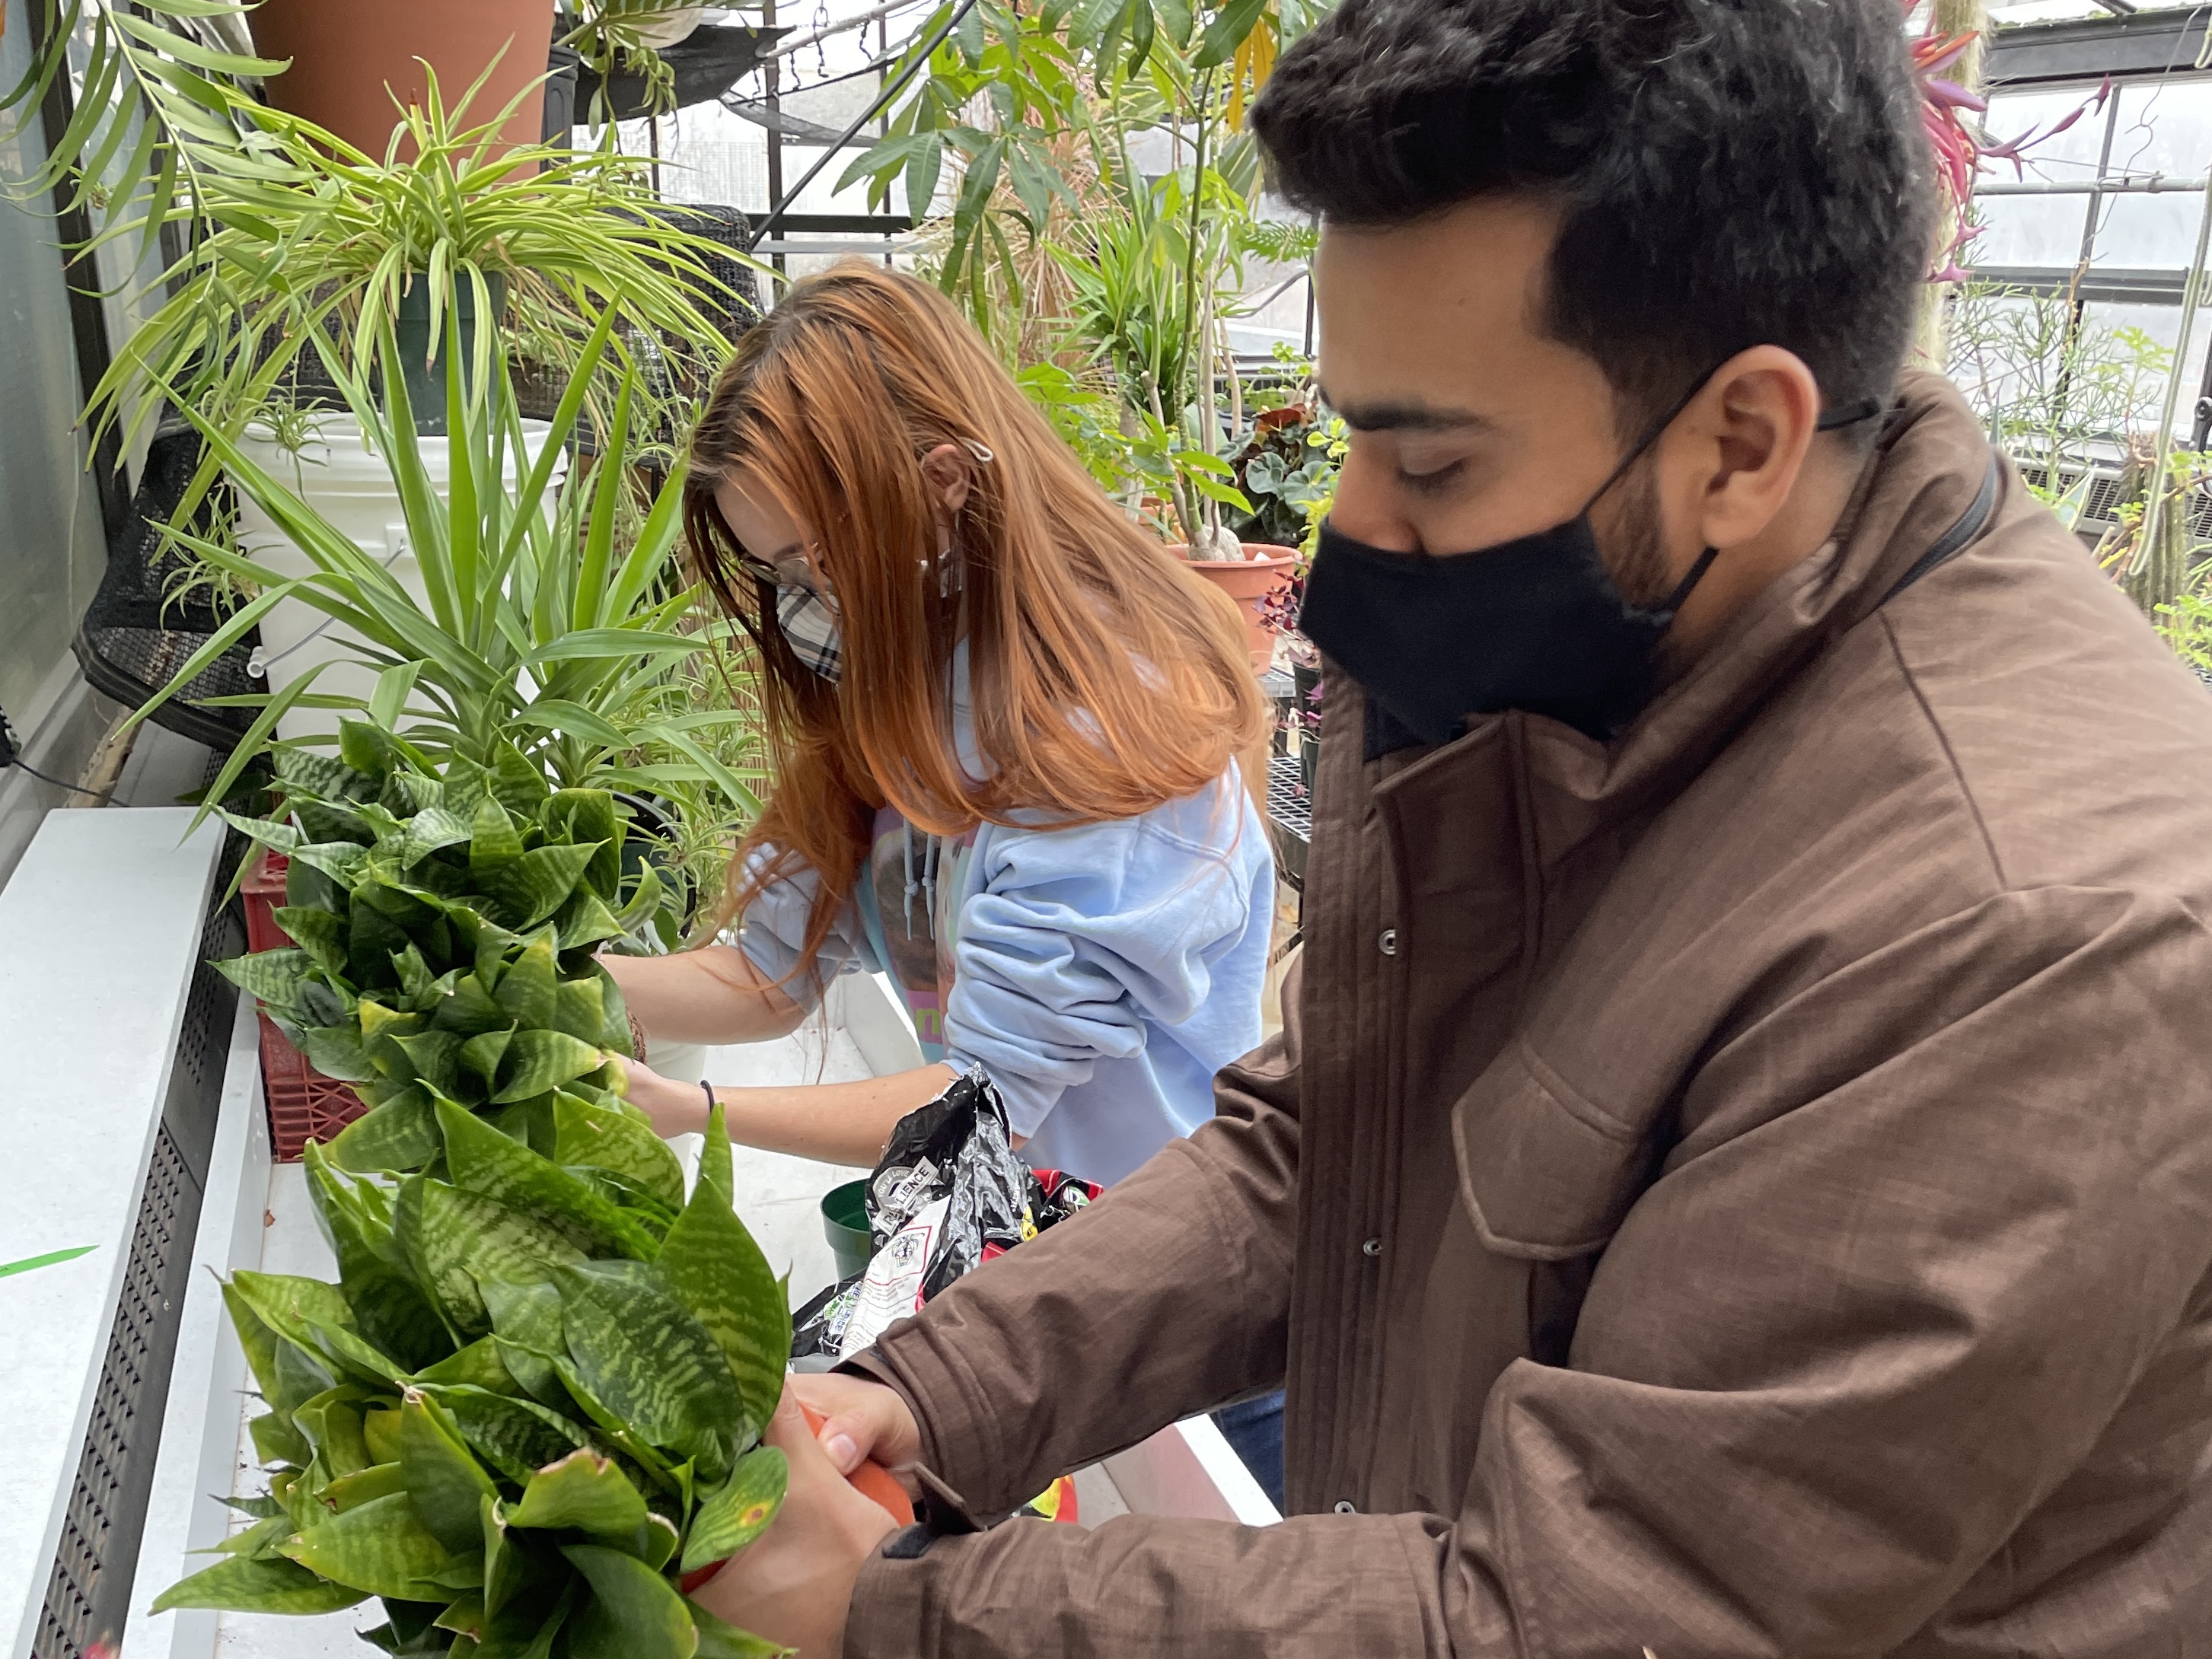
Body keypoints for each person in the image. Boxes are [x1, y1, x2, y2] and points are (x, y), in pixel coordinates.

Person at [685, 2, 2212, 1654]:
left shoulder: (2019, 933)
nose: (1350, 540)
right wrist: (930, 1391)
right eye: (1350, 430)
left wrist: (903, 1610)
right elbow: (1317, 1144)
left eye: (1428, 457)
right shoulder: (1615, 647)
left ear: (1741, 442)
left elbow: (1599, 1611)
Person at [599, 264, 1287, 1489]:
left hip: (1183, 1313)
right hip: (1025, 1270)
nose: (803, 612)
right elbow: (766, 975)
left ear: (945, 487)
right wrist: (553, 992)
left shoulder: (1107, 724)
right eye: (781, 582)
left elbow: (981, 1098)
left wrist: (688, 1112)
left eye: (817, 566)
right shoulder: (912, 683)